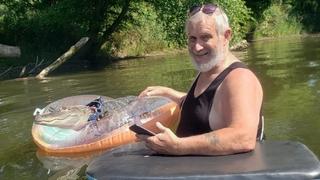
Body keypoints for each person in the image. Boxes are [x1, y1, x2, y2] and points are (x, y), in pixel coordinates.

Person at [138, 3, 263, 156]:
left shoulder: (241, 79)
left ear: (226, 36)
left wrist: (178, 146)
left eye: (205, 37)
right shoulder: (207, 71)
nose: (197, 47)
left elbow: (244, 137)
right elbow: (203, 106)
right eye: (192, 38)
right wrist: (169, 93)